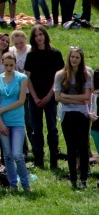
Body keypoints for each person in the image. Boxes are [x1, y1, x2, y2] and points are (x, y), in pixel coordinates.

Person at [24, 24, 65, 169]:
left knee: (52, 129)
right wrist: (34, 97)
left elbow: (59, 78)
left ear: (45, 35)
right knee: (36, 129)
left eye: (40, 34)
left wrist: (49, 96)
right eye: (35, 35)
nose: (39, 38)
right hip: (34, 97)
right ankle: (38, 160)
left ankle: (54, 160)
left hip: (51, 96)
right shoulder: (31, 55)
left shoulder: (55, 53)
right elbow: (27, 78)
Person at [54, 47, 92, 189]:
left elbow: (87, 98)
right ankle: (73, 179)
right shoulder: (60, 75)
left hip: (82, 114)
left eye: (77, 57)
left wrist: (66, 97)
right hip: (66, 114)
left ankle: (83, 179)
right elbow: (57, 97)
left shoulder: (86, 75)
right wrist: (76, 99)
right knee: (71, 147)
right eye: (72, 57)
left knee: (83, 146)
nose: (74, 59)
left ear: (81, 60)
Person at [0, 52, 30, 192]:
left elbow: (21, 100)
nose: (9, 67)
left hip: (17, 120)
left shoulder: (22, 78)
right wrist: (0, 121)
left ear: (15, 64)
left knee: (17, 155)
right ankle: (13, 184)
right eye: (6, 65)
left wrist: (2, 110)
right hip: (2, 121)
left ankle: (26, 185)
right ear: (2, 63)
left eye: (11, 65)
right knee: (7, 154)